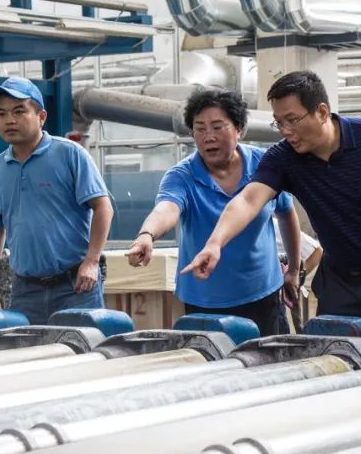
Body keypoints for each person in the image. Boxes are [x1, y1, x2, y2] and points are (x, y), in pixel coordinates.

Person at [183, 70, 361, 347]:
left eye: (293, 120)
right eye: (279, 123)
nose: (286, 131)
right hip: (340, 280)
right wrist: (215, 243)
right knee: (336, 356)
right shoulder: (284, 157)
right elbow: (248, 200)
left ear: (322, 112)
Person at [125, 89, 301, 337]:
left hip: (261, 293)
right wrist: (147, 234)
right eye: (200, 129)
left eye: (218, 127)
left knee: (267, 358)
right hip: (204, 299)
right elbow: (167, 207)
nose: (209, 137)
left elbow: (286, 213)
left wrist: (293, 269)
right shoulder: (182, 175)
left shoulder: (264, 165)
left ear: (239, 129)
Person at [0, 77, 113, 324]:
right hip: (25, 290)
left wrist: (91, 262)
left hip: (75, 286)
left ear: (41, 117)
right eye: (1, 113)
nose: (9, 120)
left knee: (81, 347)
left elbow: (103, 207)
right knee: (26, 348)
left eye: (19, 111)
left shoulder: (70, 154)